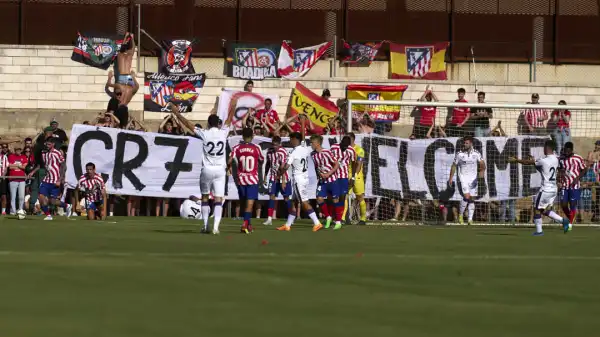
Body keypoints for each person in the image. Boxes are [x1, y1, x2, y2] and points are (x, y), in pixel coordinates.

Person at [172, 105, 231, 235]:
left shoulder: (204, 133)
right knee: (218, 199)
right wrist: (233, 106)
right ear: (218, 124)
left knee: (205, 197)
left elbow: (188, 124)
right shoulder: (223, 132)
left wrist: (177, 113)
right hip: (220, 170)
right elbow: (229, 120)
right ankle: (216, 227)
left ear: (209, 124)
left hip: (207, 169)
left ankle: (205, 226)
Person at [509, 140, 571, 235]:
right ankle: (563, 221)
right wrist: (533, 161)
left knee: (536, 208)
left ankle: (539, 231)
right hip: (553, 189)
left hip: (545, 189)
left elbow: (527, 162)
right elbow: (542, 166)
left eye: (544, 147)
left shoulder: (543, 160)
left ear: (546, 148)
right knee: (543, 209)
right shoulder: (555, 159)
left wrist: (517, 160)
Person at [277, 121, 324, 232]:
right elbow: (303, 136)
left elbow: (286, 166)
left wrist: (280, 172)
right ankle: (288, 225)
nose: (289, 141)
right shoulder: (305, 148)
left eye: (290, 139)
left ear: (294, 140)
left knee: (303, 202)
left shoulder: (293, 153)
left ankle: (317, 222)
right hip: (304, 178)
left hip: (298, 180)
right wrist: (303, 122)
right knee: (294, 202)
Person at [229, 128, 264, 234]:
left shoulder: (237, 147)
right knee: (250, 204)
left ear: (242, 136)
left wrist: (229, 167)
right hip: (252, 179)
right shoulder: (256, 148)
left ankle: (248, 225)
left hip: (241, 179)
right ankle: (245, 224)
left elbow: (230, 159)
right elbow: (261, 160)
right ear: (252, 136)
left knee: (244, 203)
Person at [27, 138, 72, 220]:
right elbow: (41, 165)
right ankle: (48, 215)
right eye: (46, 144)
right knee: (41, 196)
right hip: (46, 180)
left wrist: (60, 179)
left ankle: (67, 206)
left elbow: (63, 166)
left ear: (53, 144)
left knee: (52, 201)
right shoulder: (43, 153)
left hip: (55, 180)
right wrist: (32, 172)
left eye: (49, 144)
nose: (47, 146)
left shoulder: (57, 153)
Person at [448, 136, 485, 225]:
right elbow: (454, 166)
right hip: (463, 178)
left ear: (471, 144)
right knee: (467, 196)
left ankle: (470, 219)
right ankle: (461, 215)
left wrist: (481, 174)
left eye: (467, 143)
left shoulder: (476, 153)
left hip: (473, 179)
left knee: (472, 199)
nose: (465, 144)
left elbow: (483, 165)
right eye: (464, 143)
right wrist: (450, 178)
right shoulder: (459, 154)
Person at [310, 134, 343, 230]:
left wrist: (329, 173)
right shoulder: (313, 154)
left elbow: (336, 164)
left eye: (313, 142)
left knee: (335, 200)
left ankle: (338, 222)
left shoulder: (327, 152)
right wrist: (318, 175)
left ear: (318, 143)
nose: (311, 144)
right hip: (322, 181)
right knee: (319, 198)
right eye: (311, 142)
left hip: (332, 180)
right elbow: (317, 167)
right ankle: (328, 217)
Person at [263, 136, 292, 226]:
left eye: (276, 145)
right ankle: (269, 219)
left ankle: (292, 217)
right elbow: (268, 164)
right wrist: (265, 177)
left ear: (280, 144)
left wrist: (283, 180)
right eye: (273, 144)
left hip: (283, 177)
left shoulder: (282, 152)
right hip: (273, 177)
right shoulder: (270, 152)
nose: (274, 147)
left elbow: (283, 167)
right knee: (271, 196)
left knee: (286, 198)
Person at [330, 135, 356, 229]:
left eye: (346, 147)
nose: (344, 148)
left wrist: (353, 177)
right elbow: (329, 159)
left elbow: (354, 163)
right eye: (343, 146)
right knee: (333, 197)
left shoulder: (351, 150)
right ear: (341, 143)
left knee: (342, 197)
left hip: (344, 176)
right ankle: (334, 217)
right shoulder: (333, 147)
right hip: (333, 176)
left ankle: (339, 218)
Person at [558, 142, 586, 225]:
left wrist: (577, 178)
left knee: (572, 204)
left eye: (568, 151)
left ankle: (569, 223)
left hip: (574, 185)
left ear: (571, 150)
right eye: (565, 151)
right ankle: (570, 218)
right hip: (564, 185)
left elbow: (584, 169)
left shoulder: (578, 158)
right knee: (563, 204)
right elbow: (559, 168)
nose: (566, 153)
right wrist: (561, 171)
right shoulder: (561, 158)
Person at [344, 132, 367, 225]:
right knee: (344, 196)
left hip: (356, 177)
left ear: (353, 139)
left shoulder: (359, 150)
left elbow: (359, 164)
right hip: (346, 175)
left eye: (348, 139)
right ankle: (343, 218)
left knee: (359, 197)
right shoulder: (345, 149)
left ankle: (363, 219)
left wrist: (353, 176)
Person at [7, 146, 28, 215]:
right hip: (13, 179)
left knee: (21, 196)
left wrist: (15, 165)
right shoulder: (11, 156)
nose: (18, 151)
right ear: (15, 150)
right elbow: (10, 167)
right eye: (17, 150)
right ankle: (13, 211)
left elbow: (24, 166)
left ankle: (20, 210)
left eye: (19, 150)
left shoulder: (24, 157)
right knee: (13, 197)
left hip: (21, 179)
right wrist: (19, 165)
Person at [0, 149, 7, 215]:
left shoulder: (4, 157)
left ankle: (3, 211)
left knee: (3, 196)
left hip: (2, 179)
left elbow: (6, 168)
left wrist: (3, 175)